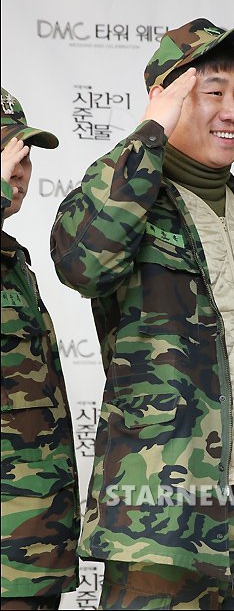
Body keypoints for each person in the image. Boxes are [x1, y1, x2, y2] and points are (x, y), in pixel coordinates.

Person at [50, 18, 234, 611]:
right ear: (167, 99)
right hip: (162, 514)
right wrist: (151, 131)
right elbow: (83, 260)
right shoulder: (132, 198)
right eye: (212, 92)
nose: (232, 111)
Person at [1, 88, 80, 610]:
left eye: (24, 155)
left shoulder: (14, 262)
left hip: (33, 547)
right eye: (5, 151)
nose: (18, 168)